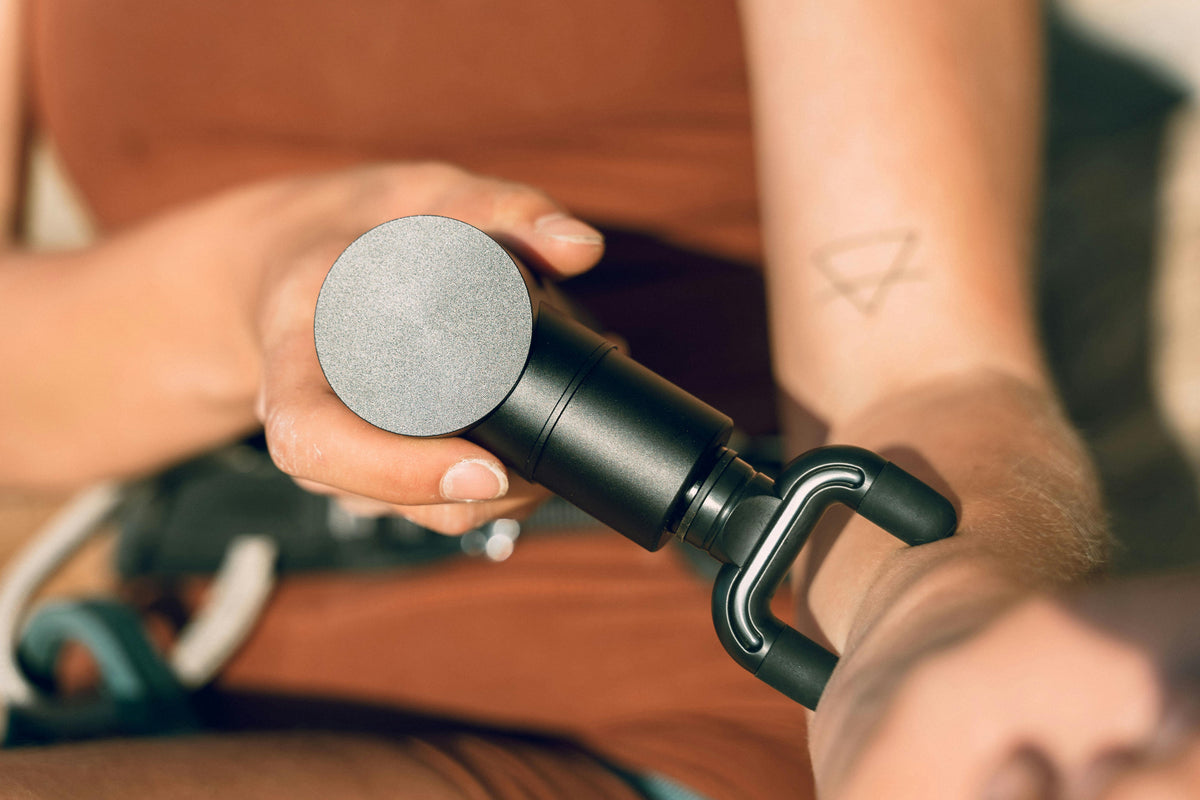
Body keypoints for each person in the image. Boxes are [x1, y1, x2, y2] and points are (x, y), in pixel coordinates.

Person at [0, 0, 1192, 797]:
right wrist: (264, 279)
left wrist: (928, 628)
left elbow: (918, 368)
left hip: (653, 705)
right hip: (169, 669)